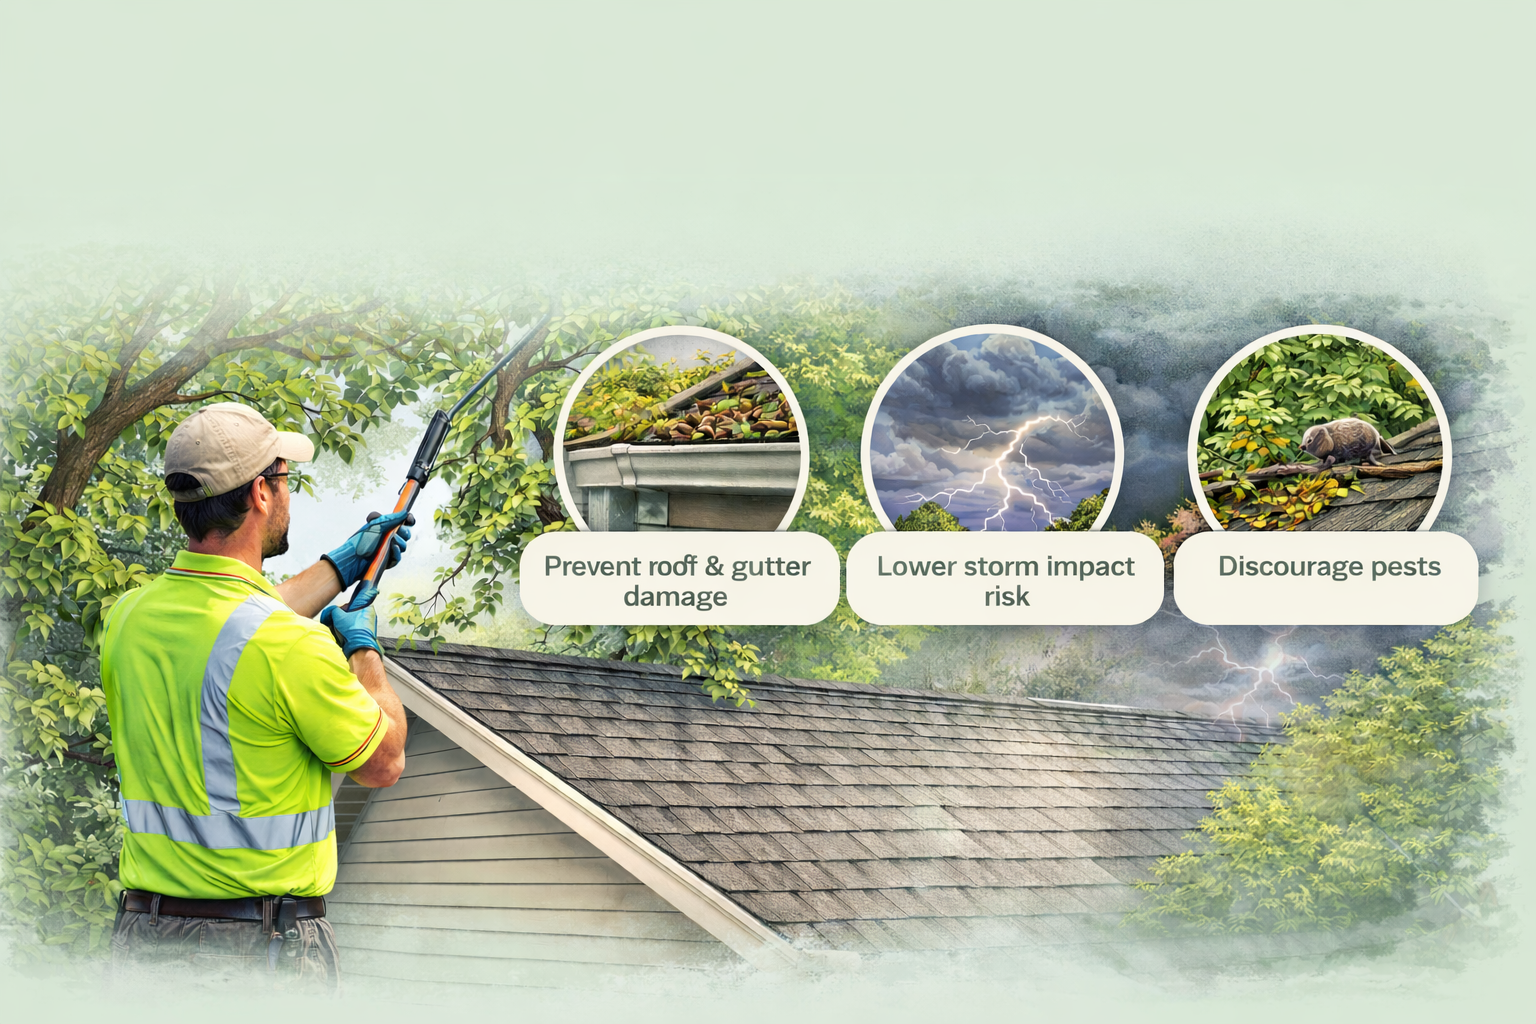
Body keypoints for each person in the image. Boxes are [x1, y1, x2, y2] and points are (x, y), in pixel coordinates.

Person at [101, 402, 414, 989]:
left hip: (144, 936)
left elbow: (232, 628)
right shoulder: (289, 645)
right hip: (259, 950)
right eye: (285, 480)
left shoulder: (126, 619)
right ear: (262, 494)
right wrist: (364, 647)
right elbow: (385, 761)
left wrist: (339, 566)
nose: (288, 494)